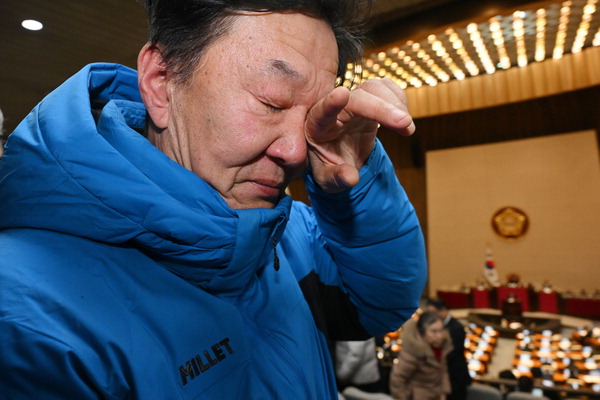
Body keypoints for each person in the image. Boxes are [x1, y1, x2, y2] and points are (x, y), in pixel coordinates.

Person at [0, 1, 427, 399]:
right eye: (272, 101)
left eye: (314, 113)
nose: (297, 152)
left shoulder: (285, 228)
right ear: (161, 82)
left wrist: (355, 183)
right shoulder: (29, 317)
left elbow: (381, 303)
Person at [389, 311, 452, 400]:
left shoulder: (441, 347)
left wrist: (443, 393)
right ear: (422, 332)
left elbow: (443, 371)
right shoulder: (413, 351)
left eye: (441, 330)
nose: (440, 336)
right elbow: (397, 379)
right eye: (434, 331)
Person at [427, 298, 472, 400]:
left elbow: (452, 352)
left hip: (455, 377)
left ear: (443, 310)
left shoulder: (456, 328)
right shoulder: (436, 326)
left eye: (433, 313)